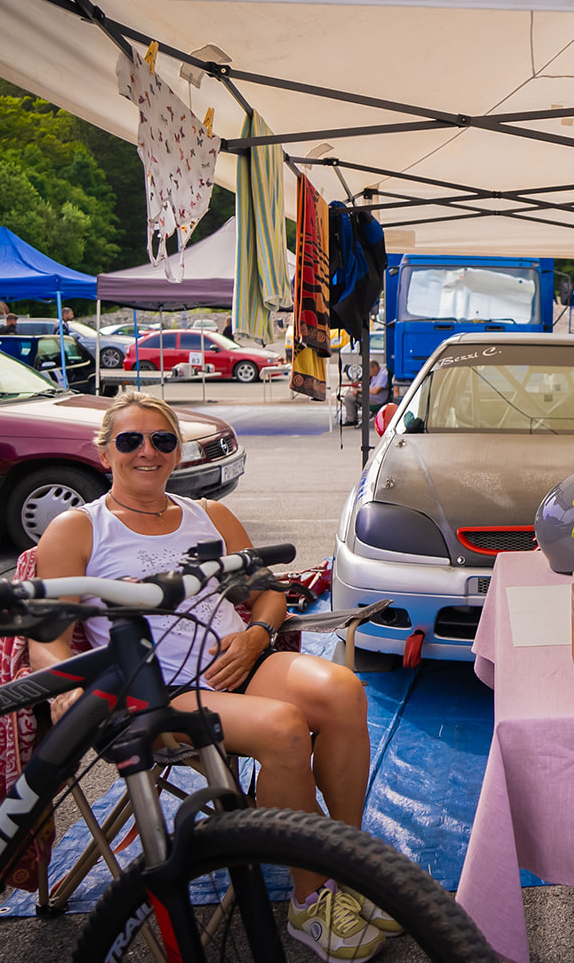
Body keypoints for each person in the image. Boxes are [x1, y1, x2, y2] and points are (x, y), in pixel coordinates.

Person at [30, 391, 398, 960]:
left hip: (240, 664)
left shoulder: (211, 515)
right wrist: (65, 685)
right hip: (156, 692)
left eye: (162, 440)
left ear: (178, 453)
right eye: (130, 440)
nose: (147, 451)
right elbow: (47, 637)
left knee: (343, 690)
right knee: (283, 727)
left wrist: (256, 636)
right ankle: (310, 900)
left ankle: (348, 867)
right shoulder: (79, 528)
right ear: (104, 453)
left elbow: (268, 594)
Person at [340, 360, 388, 426]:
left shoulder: (383, 375)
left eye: (369, 369)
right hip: (371, 396)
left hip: (376, 399)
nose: (369, 372)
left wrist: (360, 390)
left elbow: (376, 391)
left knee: (349, 397)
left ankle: (351, 419)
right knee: (350, 392)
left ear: (375, 367)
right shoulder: (376, 374)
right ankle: (353, 416)